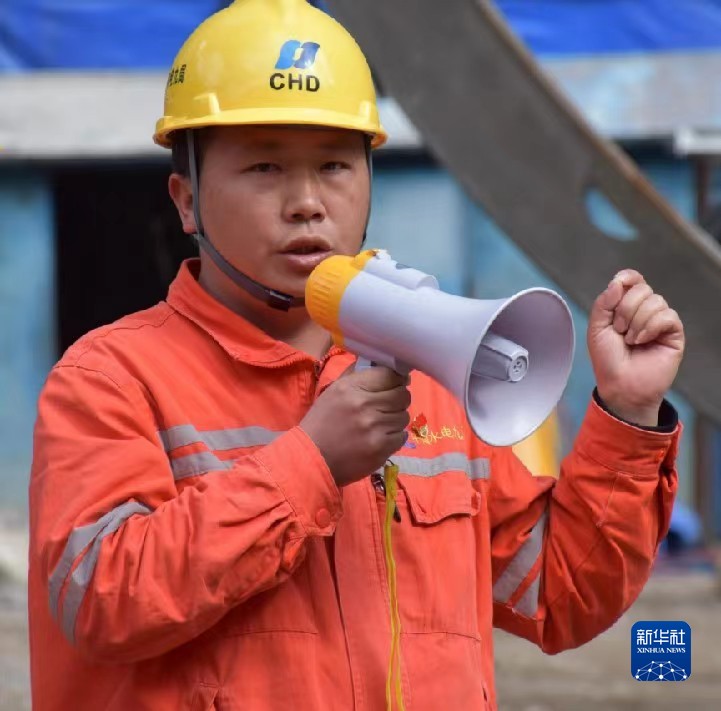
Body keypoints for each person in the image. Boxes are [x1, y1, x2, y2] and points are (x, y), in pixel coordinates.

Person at [28, 1, 685, 709]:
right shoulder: (110, 379)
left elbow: (560, 595)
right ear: (187, 202)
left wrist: (628, 414)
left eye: (334, 165)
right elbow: (101, 598)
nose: (306, 203)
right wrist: (309, 464)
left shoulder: (428, 378)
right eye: (264, 167)